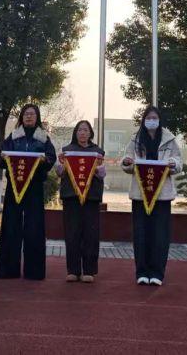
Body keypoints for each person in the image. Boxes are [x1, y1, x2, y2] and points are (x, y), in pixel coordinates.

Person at [121, 106, 182, 286]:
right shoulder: (135, 139)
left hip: (162, 195)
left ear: (160, 120)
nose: (151, 121)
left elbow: (178, 161)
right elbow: (126, 161)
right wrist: (127, 162)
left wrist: (173, 163)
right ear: (143, 120)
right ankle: (142, 272)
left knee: (160, 234)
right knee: (140, 233)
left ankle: (157, 273)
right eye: (148, 118)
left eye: (154, 118)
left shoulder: (169, 139)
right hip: (140, 194)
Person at [0, 103, 57, 280]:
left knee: (34, 228)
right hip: (14, 187)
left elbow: (51, 158)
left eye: (32, 114)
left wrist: (44, 160)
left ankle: (34, 271)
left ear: (37, 117)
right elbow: (1, 157)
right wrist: (2, 156)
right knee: (11, 226)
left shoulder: (43, 138)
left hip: (34, 187)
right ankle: (8, 270)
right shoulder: (13, 136)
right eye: (26, 114)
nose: (29, 116)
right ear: (21, 117)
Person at [54, 119, 106, 283]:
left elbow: (102, 174)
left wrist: (98, 170)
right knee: (72, 232)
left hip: (91, 197)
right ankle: (73, 270)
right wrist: (60, 165)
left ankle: (89, 270)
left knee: (91, 233)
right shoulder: (67, 151)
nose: (82, 133)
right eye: (79, 130)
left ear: (90, 133)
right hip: (71, 196)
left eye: (85, 130)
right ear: (75, 133)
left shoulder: (97, 152)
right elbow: (60, 173)